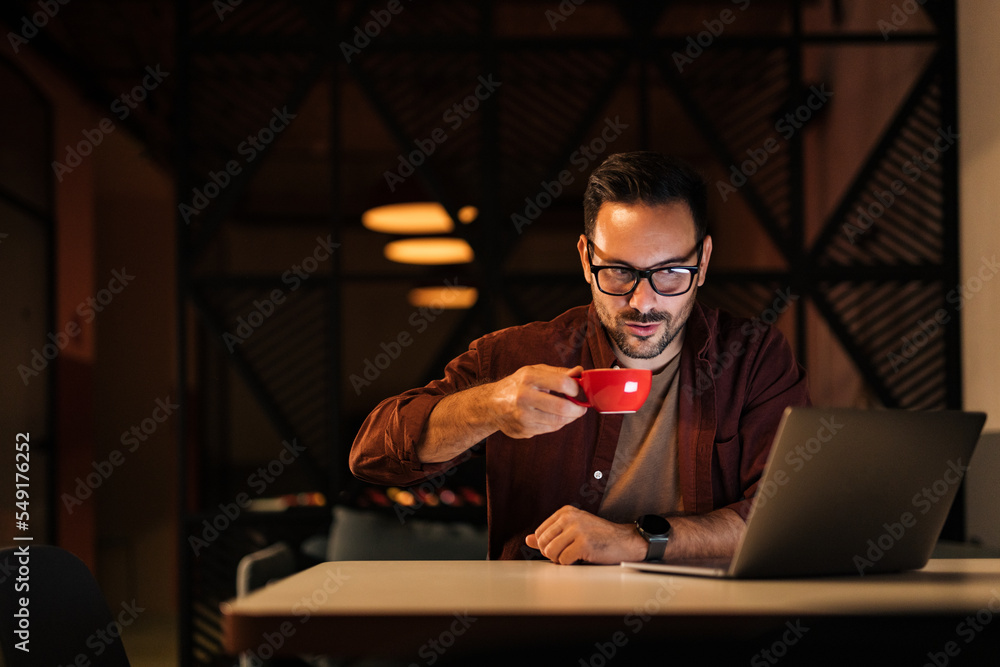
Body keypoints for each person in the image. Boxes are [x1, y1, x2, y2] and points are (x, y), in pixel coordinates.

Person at [350, 151, 809, 564]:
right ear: (587, 260)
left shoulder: (753, 359)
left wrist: (636, 539)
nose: (643, 301)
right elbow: (372, 457)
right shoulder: (517, 354)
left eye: (670, 273)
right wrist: (489, 406)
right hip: (547, 628)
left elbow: (784, 514)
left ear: (703, 262)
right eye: (618, 271)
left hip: (701, 627)